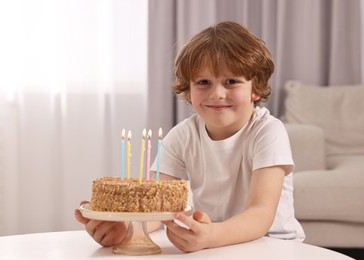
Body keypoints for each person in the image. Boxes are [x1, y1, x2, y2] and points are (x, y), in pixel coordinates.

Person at [75, 20, 305, 252]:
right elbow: (158, 207)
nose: (217, 94)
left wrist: (211, 235)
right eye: (203, 82)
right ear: (188, 89)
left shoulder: (268, 132)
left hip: (274, 246)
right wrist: (128, 228)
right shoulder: (181, 136)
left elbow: (260, 214)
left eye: (231, 81)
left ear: (255, 88)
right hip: (216, 246)